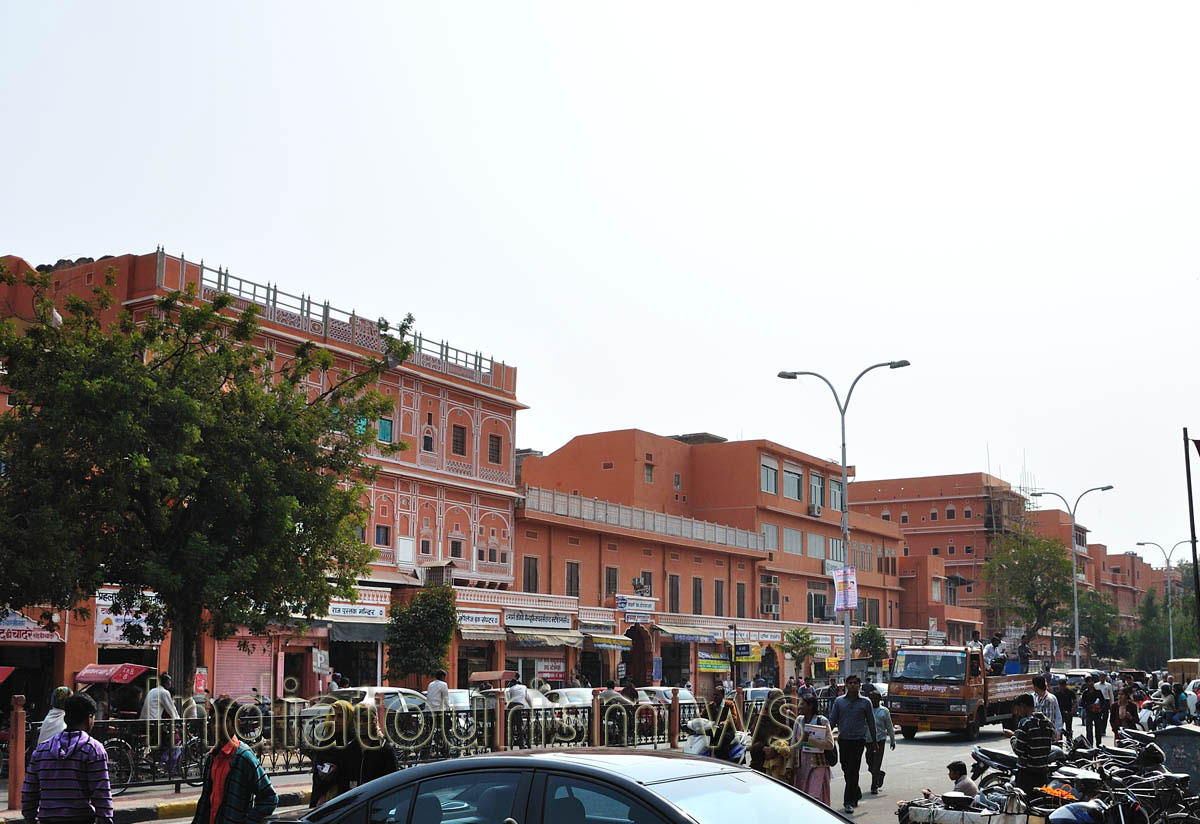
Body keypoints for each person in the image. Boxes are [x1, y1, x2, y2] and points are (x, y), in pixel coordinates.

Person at [22, 693, 113, 824]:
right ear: (89, 719)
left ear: (66, 718)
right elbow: (101, 793)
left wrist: (31, 819)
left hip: (47, 819)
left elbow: (29, 792)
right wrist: (105, 819)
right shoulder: (93, 750)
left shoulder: (41, 750)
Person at [192, 698, 277, 824]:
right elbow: (206, 800)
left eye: (223, 721)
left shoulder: (244, 757)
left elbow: (269, 797)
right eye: (214, 721)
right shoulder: (211, 757)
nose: (216, 726)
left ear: (236, 723)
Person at [309, 701, 395, 806]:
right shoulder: (350, 749)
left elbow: (392, 784)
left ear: (375, 720)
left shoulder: (384, 750)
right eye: (358, 719)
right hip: (353, 807)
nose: (362, 724)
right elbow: (344, 781)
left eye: (366, 719)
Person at [827, 674, 878, 815]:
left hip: (858, 741)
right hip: (843, 740)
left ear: (859, 685)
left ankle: (848, 802)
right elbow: (832, 720)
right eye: (850, 683)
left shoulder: (865, 702)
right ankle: (856, 791)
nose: (853, 685)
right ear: (845, 684)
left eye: (855, 683)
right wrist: (824, 733)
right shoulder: (839, 702)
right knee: (845, 768)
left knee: (852, 770)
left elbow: (871, 722)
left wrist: (874, 741)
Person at [1004, 693, 1053, 796]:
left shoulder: (1025, 723)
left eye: (1018, 709)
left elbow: (1019, 750)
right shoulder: (1048, 723)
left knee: (1025, 804)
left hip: (1027, 774)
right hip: (1042, 772)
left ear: (1023, 706)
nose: (1018, 713)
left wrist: (1012, 738)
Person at [790, 693, 834, 805]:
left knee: (816, 796)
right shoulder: (799, 720)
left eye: (802, 704)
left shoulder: (822, 721)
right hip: (801, 765)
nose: (799, 706)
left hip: (818, 764)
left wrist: (809, 740)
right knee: (803, 797)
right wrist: (789, 766)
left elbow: (830, 744)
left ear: (810, 706)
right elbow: (794, 743)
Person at [748, 689, 793, 780]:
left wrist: (776, 750)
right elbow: (754, 743)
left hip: (783, 766)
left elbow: (795, 740)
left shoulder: (789, 717)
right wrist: (764, 748)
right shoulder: (759, 718)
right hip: (761, 766)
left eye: (779, 703)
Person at [141, 673, 181, 766]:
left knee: (162, 737)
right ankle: (159, 760)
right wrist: (178, 720)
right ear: (167, 683)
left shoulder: (152, 690)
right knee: (167, 739)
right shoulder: (164, 692)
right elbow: (172, 710)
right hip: (153, 723)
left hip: (144, 722)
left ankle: (156, 758)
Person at [704, 684, 744, 761]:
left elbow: (733, 717)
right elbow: (701, 715)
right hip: (714, 730)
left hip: (728, 730)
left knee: (722, 741)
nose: (715, 697)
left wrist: (725, 722)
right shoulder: (710, 706)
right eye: (714, 695)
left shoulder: (729, 704)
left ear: (722, 696)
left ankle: (725, 761)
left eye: (717, 695)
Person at [867, 691, 895, 794]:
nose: (873, 701)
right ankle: (880, 774)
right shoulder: (866, 710)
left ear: (879, 700)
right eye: (871, 699)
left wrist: (892, 740)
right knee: (869, 764)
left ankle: (874, 786)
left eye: (875, 699)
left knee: (876, 764)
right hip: (868, 740)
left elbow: (889, 726)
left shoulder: (884, 711)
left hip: (880, 740)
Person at [1031, 675, 1063, 741]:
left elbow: (1048, 721)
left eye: (1033, 686)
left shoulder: (1048, 699)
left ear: (1036, 686)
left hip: (1048, 736)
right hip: (1042, 735)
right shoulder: (1038, 697)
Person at [1081, 676, 1106, 746]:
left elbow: (1103, 702)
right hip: (1089, 714)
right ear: (1086, 683)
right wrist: (1089, 707)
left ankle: (1099, 745)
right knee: (1089, 730)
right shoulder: (1085, 693)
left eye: (1092, 681)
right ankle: (1089, 745)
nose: (1091, 683)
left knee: (1098, 730)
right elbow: (1082, 704)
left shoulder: (1098, 692)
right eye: (1089, 681)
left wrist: (1100, 709)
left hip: (1097, 714)